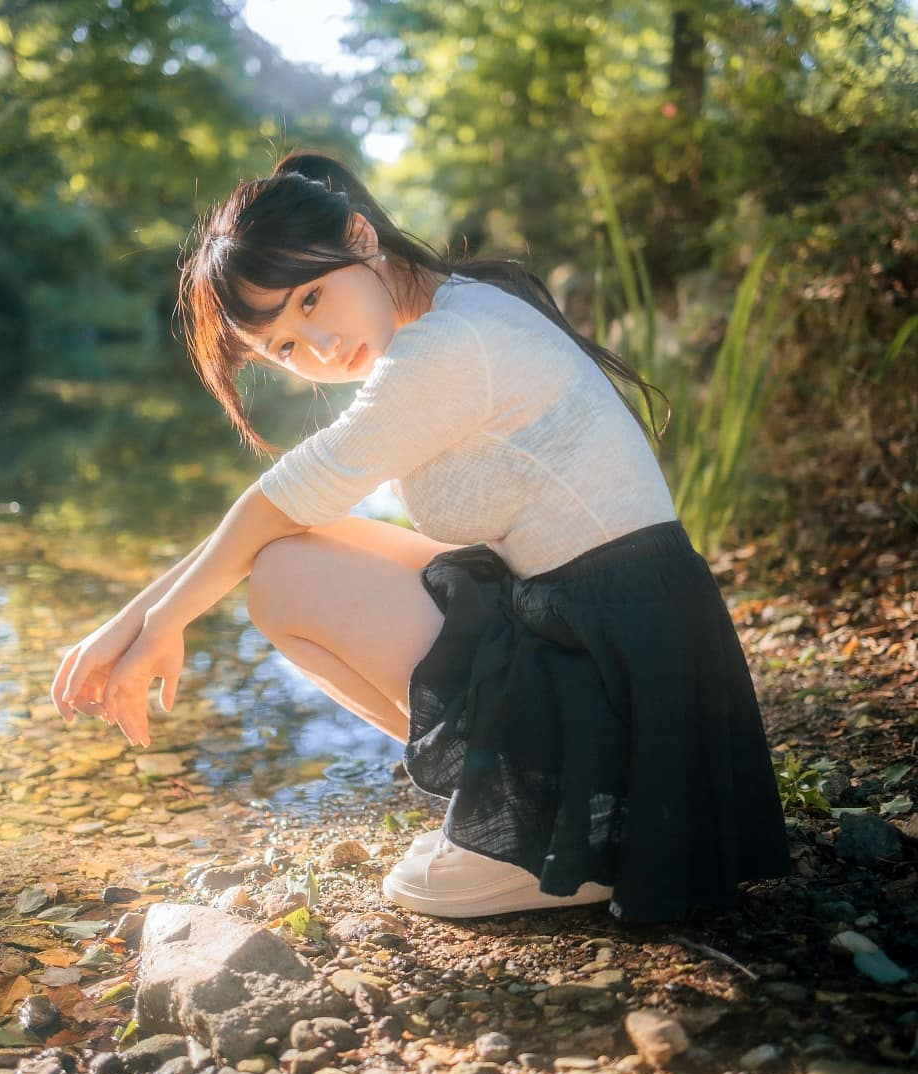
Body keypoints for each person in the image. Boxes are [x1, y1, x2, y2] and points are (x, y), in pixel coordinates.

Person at [51, 152, 790, 923]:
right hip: (618, 638)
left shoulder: (442, 349)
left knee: (282, 579)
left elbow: (271, 507)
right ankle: (532, 806)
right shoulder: (447, 312)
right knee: (288, 555)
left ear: (361, 238)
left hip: (616, 657)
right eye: (287, 348)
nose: (322, 348)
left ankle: (576, 833)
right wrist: (134, 621)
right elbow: (281, 513)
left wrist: (160, 624)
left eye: (311, 300)